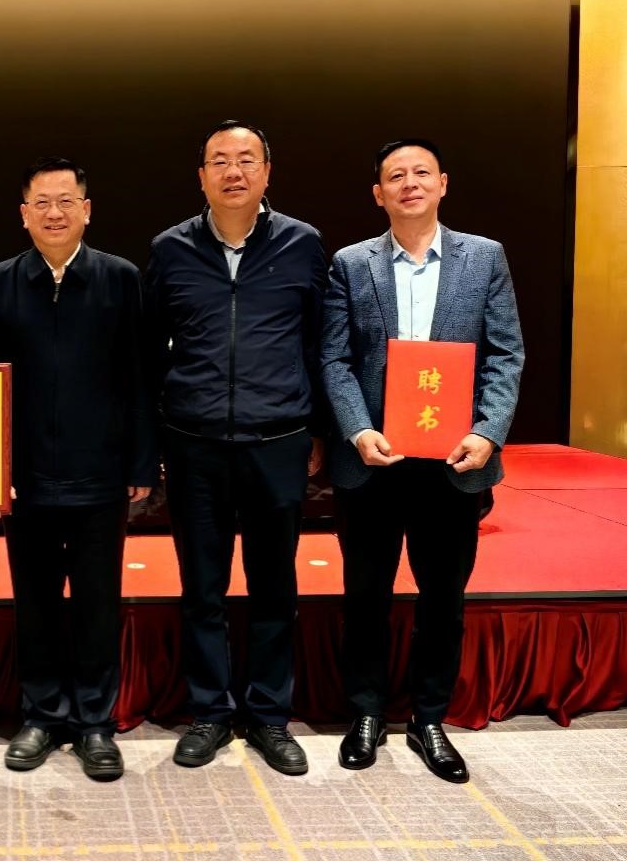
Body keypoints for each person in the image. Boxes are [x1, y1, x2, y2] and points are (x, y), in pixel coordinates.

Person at [321, 139, 524, 783]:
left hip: (453, 463)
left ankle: (429, 716)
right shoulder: (350, 263)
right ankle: (366, 712)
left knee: (443, 597)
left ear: (442, 184)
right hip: (373, 461)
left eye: (421, 173)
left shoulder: (484, 257)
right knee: (366, 594)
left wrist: (487, 433)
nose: (409, 183)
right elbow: (335, 358)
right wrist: (357, 429)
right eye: (395, 176)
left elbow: (505, 354)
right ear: (377, 194)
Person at [144, 121, 326, 775]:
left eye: (246, 159)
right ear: (200, 176)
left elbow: (321, 343)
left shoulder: (303, 244)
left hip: (277, 441)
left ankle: (269, 716)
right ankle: (211, 713)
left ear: (267, 172)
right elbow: (149, 350)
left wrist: (319, 431)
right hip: (193, 444)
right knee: (203, 588)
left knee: (275, 588)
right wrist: (155, 437)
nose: (233, 171)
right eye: (219, 160)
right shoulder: (170, 250)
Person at [0, 158, 156, 782]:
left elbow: (140, 374)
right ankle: (43, 715)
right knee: (36, 600)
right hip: (23, 476)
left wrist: (141, 458)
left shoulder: (120, 278)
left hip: (100, 472)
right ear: (23, 214)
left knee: (99, 602)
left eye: (66, 200)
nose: (55, 213)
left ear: (87, 209)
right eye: (42, 203)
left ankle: (95, 722)